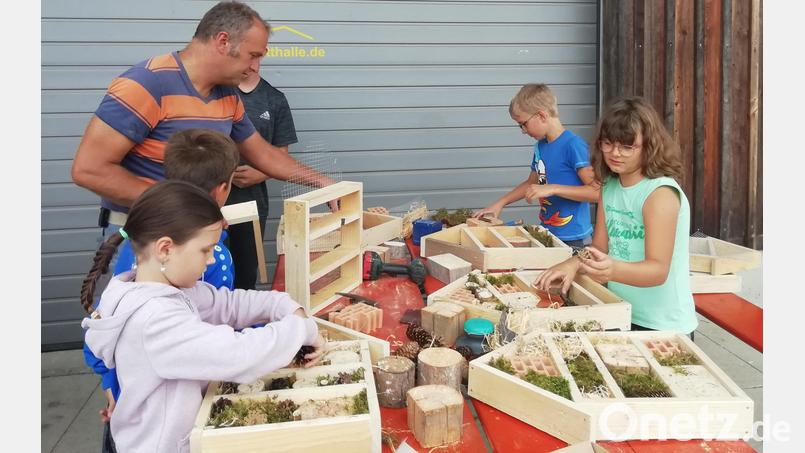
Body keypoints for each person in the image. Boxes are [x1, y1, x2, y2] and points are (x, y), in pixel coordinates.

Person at [81, 180, 325, 453]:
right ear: (165, 249)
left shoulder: (159, 289)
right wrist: (302, 330)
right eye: (205, 250)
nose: (211, 260)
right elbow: (237, 354)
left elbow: (229, 304)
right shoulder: (153, 320)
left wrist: (285, 307)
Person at [70, 1, 335, 244]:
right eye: (252, 55)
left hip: (197, 233)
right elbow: (89, 170)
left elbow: (262, 153)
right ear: (223, 41)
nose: (255, 67)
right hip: (141, 235)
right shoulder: (146, 84)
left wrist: (323, 182)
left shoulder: (227, 94)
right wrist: (186, 205)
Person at [83, 128, 243, 451]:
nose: (206, 255)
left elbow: (101, 334)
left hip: (131, 415)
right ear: (223, 189)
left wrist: (112, 386)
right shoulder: (216, 260)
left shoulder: (140, 241)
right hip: (173, 425)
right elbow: (213, 339)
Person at [534, 96, 698, 336]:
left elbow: (658, 270)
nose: (615, 153)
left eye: (627, 146)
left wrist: (611, 271)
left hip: (664, 325)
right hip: (620, 310)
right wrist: (572, 264)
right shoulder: (610, 186)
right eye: (608, 143)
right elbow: (600, 247)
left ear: (650, 145)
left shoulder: (660, 193)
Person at [473, 84, 598, 247]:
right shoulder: (540, 146)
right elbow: (532, 182)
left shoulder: (573, 146)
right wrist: (500, 203)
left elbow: (597, 192)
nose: (523, 131)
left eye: (523, 124)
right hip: (546, 234)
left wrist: (553, 188)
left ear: (541, 115)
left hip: (575, 240)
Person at [225, 67, 298, 289]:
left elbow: (281, 156)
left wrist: (260, 174)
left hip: (252, 204)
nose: (249, 62)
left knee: (245, 275)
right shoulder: (219, 93)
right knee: (212, 272)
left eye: (255, 55)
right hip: (211, 204)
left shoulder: (275, 99)